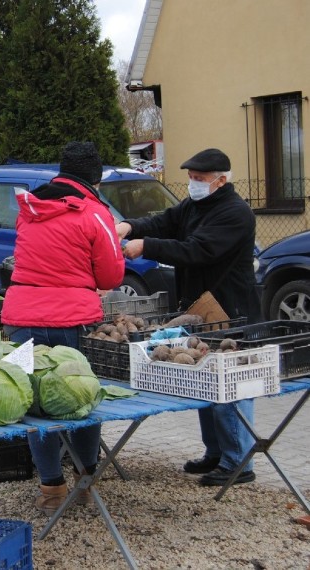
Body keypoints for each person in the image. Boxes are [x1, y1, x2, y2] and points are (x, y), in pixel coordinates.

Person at [116, 148, 260, 486]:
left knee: (229, 386)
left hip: (232, 310)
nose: (193, 184)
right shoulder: (195, 205)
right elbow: (164, 221)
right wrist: (130, 225)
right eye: (191, 179)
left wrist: (145, 246)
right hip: (200, 310)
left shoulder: (235, 213)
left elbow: (198, 250)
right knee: (206, 379)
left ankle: (239, 462)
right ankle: (216, 452)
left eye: (199, 179)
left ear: (221, 181)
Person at [1, 141, 125, 515]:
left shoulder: (30, 209)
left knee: (35, 402)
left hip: (22, 318)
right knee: (81, 399)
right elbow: (111, 274)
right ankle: (85, 483)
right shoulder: (95, 212)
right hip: (75, 319)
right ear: (96, 178)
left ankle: (51, 486)